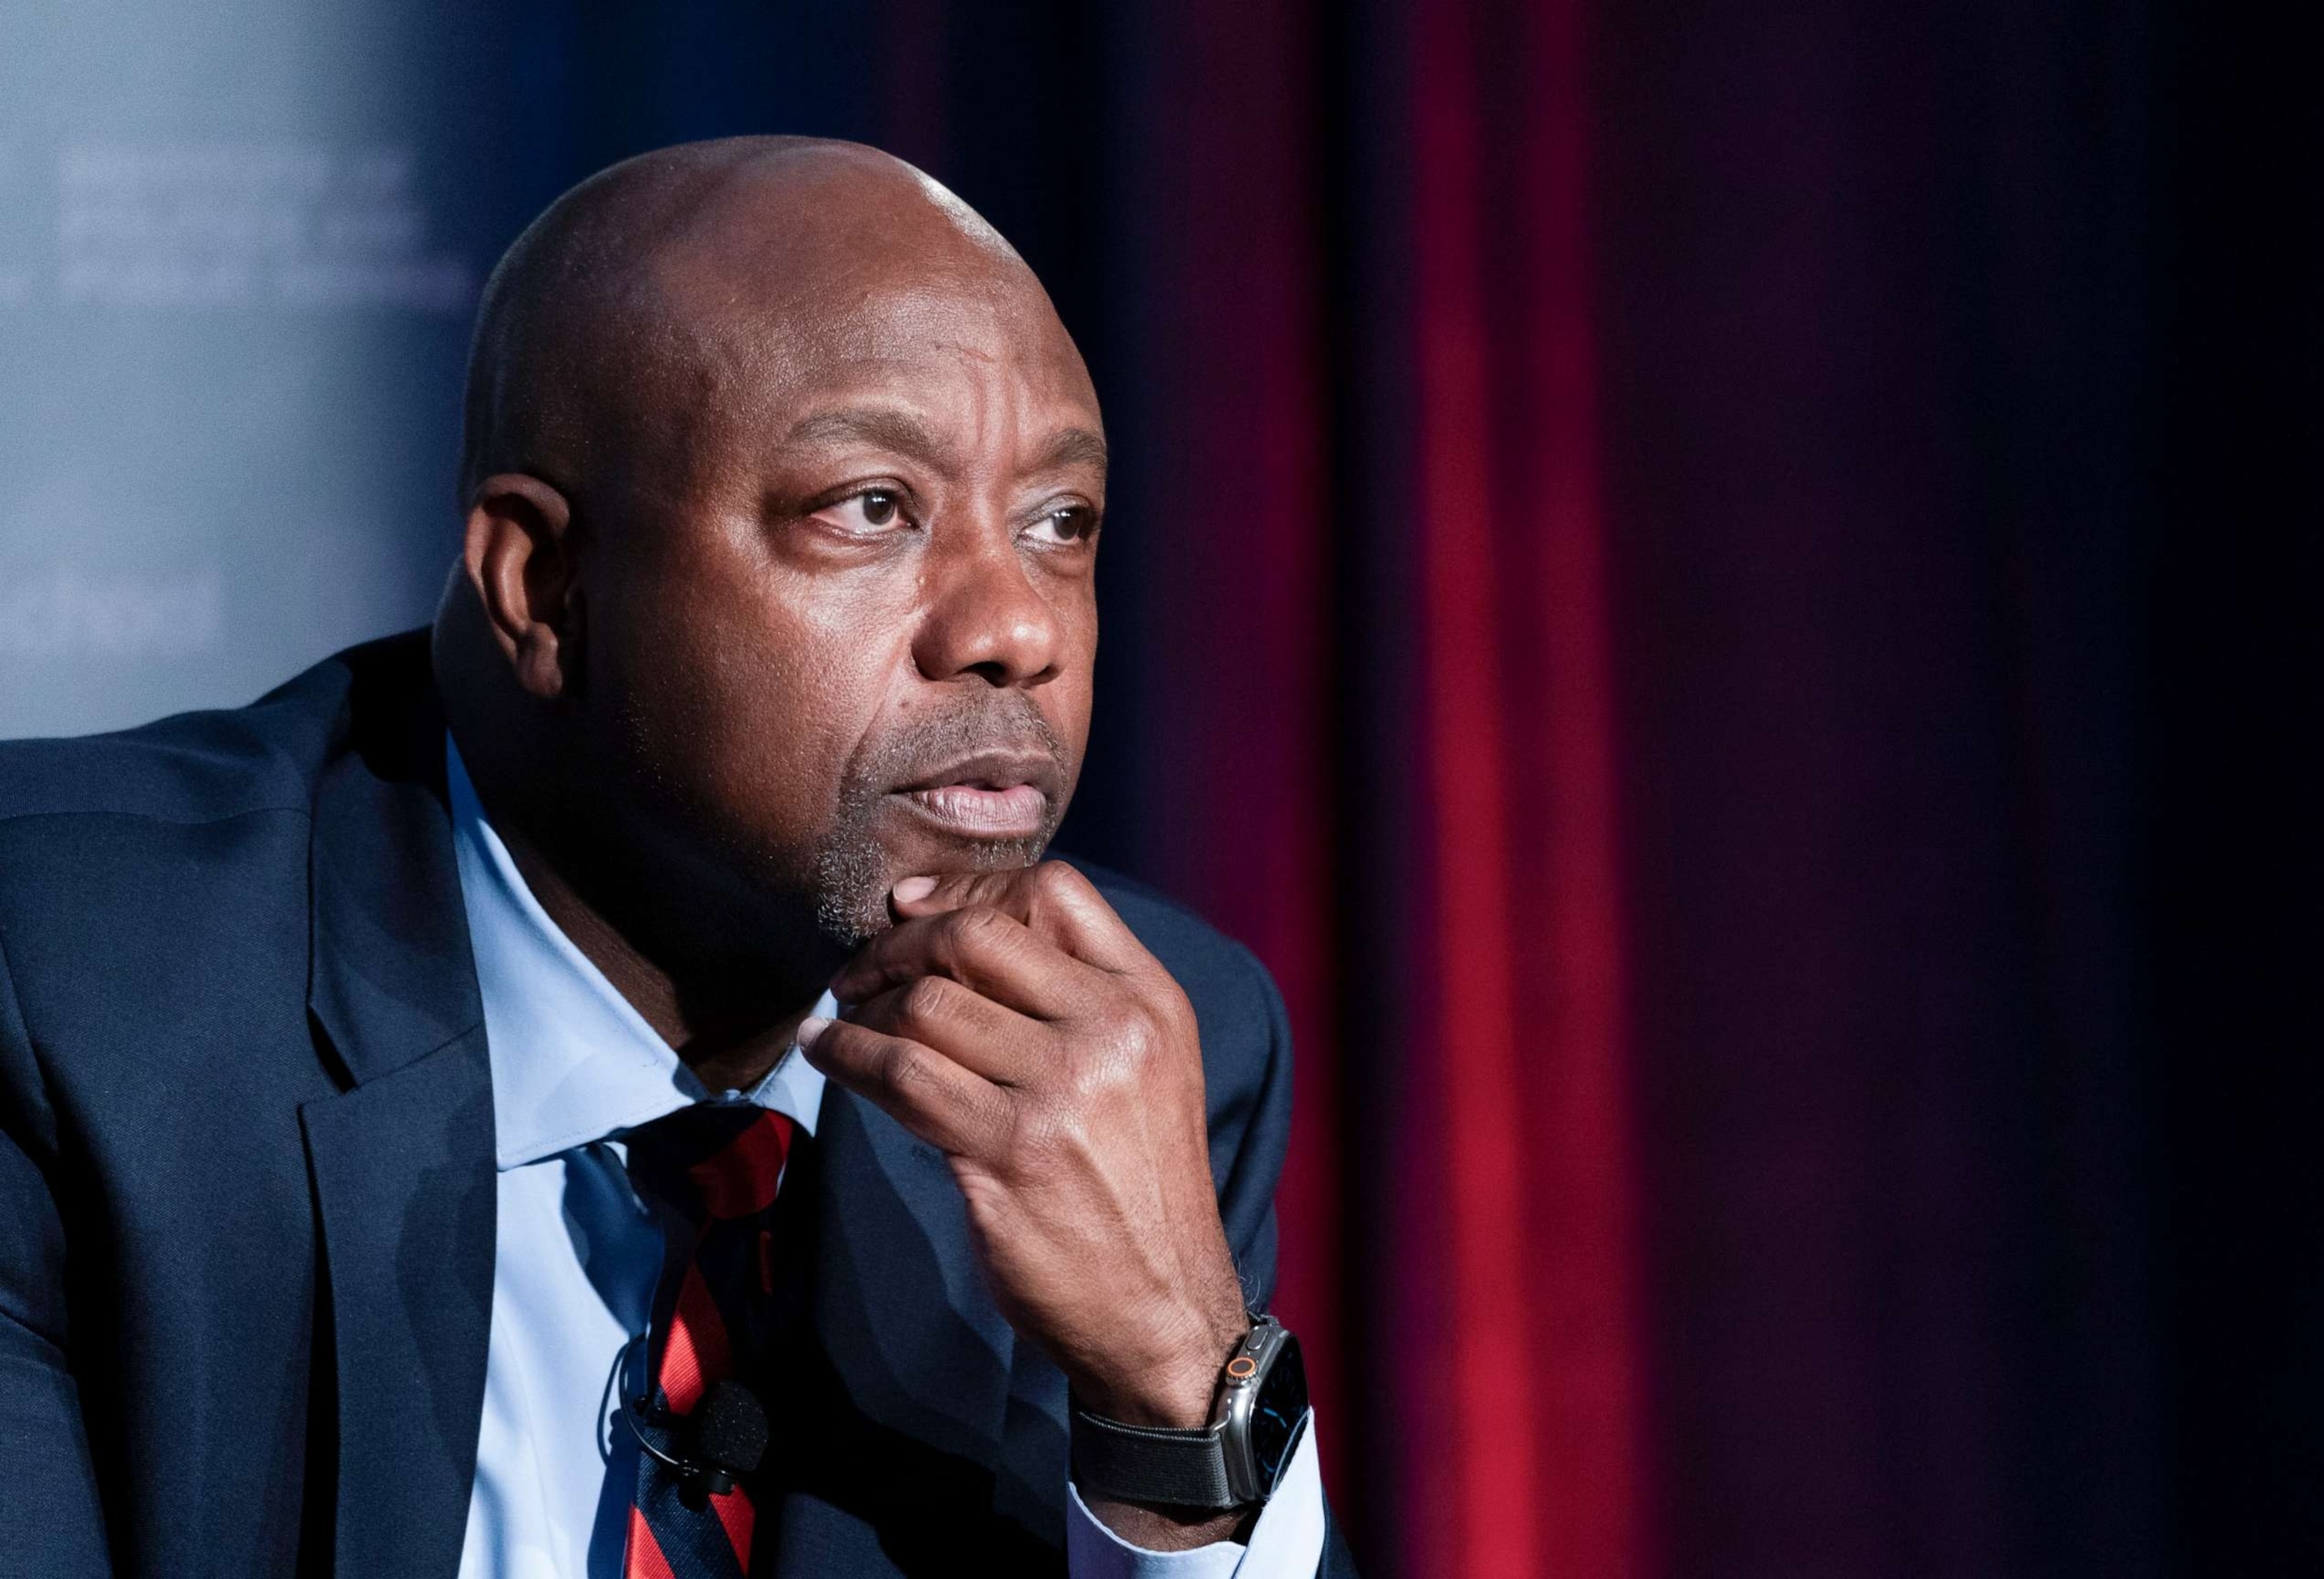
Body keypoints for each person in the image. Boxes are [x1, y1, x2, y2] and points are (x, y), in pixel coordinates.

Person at [0, 137, 1349, 1578]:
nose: (1016, 627)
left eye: (1058, 523)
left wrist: (1174, 1400)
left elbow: (1174, 1431)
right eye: (872, 508)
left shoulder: (1130, 1052)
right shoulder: (69, 984)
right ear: (544, 584)